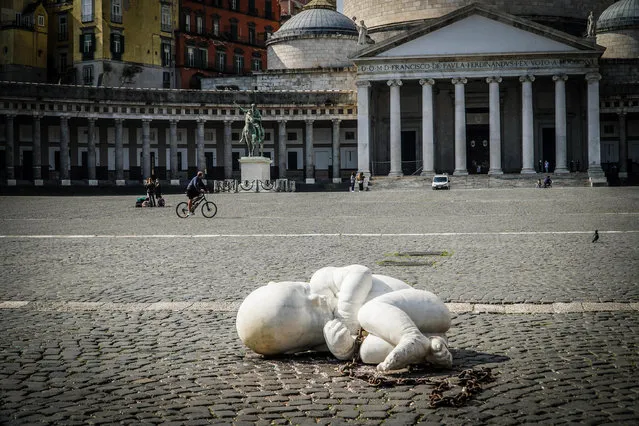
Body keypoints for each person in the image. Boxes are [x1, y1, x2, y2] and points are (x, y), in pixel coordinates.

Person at [236, 265, 452, 372]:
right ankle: (430, 348)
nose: (315, 299)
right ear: (296, 349)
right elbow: (355, 349)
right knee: (367, 353)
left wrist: (346, 317)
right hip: (427, 327)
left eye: (303, 290)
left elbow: (360, 273)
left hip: (424, 306)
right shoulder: (322, 340)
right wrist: (344, 350)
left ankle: (410, 336)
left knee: (368, 312)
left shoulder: (321, 281)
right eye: (310, 314)